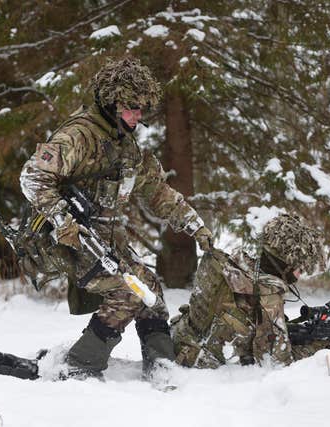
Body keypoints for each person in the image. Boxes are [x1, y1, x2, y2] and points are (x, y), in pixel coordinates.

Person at [15, 57, 213, 379]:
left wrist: (195, 225)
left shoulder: (126, 145)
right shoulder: (79, 136)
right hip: (66, 240)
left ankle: (162, 367)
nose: (138, 116)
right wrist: (64, 221)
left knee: (149, 291)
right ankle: (80, 366)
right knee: (131, 290)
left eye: (141, 108)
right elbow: (32, 177)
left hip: (104, 241)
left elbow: (157, 191)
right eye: (131, 107)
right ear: (111, 102)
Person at [171, 213, 330, 368]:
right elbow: (276, 364)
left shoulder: (228, 263)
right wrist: (317, 348)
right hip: (202, 370)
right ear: (285, 265)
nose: (299, 275)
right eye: (299, 269)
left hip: (180, 339)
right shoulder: (268, 298)